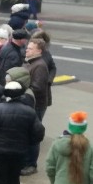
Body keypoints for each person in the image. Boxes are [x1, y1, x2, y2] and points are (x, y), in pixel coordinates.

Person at [22, 38, 52, 175]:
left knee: (33, 134)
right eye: (27, 47)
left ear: (39, 51)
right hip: (30, 103)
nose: (27, 49)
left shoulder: (39, 65)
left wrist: (20, 88)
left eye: (30, 48)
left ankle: (31, 165)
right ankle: (26, 161)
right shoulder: (31, 62)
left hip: (36, 105)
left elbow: (38, 87)